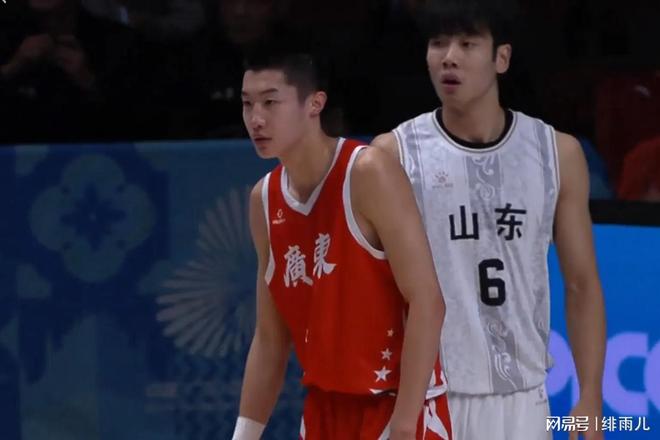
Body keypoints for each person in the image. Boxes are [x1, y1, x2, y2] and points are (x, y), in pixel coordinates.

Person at [372, 0, 606, 439]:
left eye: (467, 44)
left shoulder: (557, 153)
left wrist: (590, 395)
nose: (449, 57)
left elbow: (581, 284)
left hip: (522, 396)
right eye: (438, 43)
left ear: (502, 58)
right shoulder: (393, 155)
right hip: (426, 395)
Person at [232, 44, 452, 439]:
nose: (256, 118)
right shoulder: (263, 200)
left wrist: (405, 425)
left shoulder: (368, 172)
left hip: (395, 405)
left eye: (270, 102)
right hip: (324, 410)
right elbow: (270, 339)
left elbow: (428, 301)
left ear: (314, 104)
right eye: (248, 104)